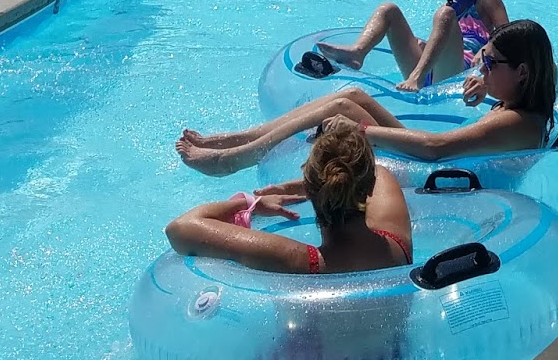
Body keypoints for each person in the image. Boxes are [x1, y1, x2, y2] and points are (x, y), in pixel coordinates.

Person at [175, 19, 558, 178]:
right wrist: (484, 83)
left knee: (345, 107)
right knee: (353, 92)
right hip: (442, 167)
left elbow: (435, 148)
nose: (481, 67)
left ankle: (235, 159)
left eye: (489, 62)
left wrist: (360, 129)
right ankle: (239, 140)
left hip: (444, 181)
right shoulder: (519, 103)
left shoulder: (517, 121)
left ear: (522, 73)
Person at [164, 118, 412, 275]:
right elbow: (378, 173)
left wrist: (250, 203)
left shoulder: (299, 260)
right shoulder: (397, 240)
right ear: (367, 188)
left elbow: (179, 229)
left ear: (312, 188)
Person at [318, 0, 507, 95]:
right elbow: (447, 44)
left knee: (444, 13)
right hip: (431, 72)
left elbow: (508, 36)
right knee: (388, 9)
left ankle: (416, 76)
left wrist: (486, 49)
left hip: (458, 74)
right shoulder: (453, 9)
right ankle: (357, 53)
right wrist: (425, 46)